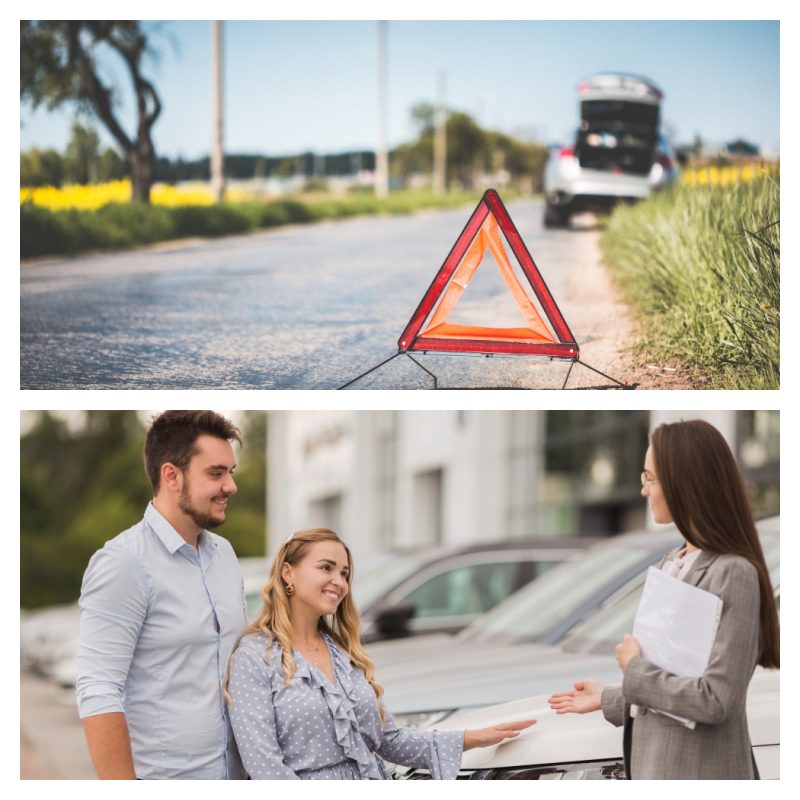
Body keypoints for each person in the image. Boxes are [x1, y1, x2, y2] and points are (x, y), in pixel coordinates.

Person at [548, 419, 780, 780]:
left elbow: (716, 700)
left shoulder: (733, 572)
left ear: (683, 482)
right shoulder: (673, 562)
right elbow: (674, 676)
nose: (643, 490)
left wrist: (634, 670)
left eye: (649, 478)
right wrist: (609, 696)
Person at [225, 528, 536, 779]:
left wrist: (473, 737)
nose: (339, 581)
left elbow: (390, 741)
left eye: (345, 573)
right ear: (287, 573)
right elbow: (264, 768)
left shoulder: (344, 654)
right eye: (326, 568)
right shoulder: (254, 657)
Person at [76, 410, 249, 780]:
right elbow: (98, 689)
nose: (231, 486)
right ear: (172, 475)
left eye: (230, 472)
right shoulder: (124, 563)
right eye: (216, 473)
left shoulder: (226, 556)